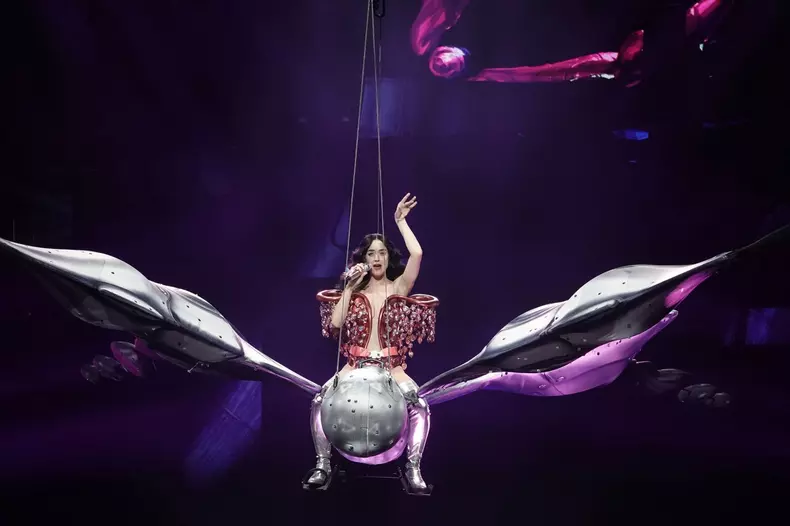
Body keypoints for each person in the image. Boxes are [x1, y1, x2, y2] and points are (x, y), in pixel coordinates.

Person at [306, 193, 439, 494]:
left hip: (391, 368)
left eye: (381, 253)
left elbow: (417, 254)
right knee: (318, 401)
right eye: (371, 254)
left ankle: (414, 468)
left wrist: (400, 221)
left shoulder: (399, 287)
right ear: (364, 260)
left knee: (419, 405)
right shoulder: (355, 291)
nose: (377, 258)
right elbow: (335, 323)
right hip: (355, 365)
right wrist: (349, 288)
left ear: (388, 258)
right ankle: (322, 465)